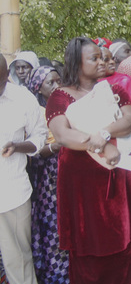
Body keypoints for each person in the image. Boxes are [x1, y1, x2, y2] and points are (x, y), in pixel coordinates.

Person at [47, 37, 131, 284]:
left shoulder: (115, 88)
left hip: (118, 176)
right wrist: (103, 147)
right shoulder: (60, 96)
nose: (102, 62)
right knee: (88, 246)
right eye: (94, 58)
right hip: (82, 184)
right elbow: (63, 135)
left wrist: (103, 134)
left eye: (102, 57)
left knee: (124, 242)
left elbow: (129, 121)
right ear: (76, 63)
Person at [0, 53, 47, 284]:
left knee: (17, 258)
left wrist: (18, 146)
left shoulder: (22, 98)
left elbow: (40, 135)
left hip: (11, 193)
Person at [26, 66, 69, 283]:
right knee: (53, 227)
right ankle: (55, 275)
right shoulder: (35, 112)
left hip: (68, 173)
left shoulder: (66, 108)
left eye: (58, 81)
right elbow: (34, 149)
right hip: (47, 181)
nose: (56, 86)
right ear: (37, 87)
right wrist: (57, 146)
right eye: (50, 83)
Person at [100, 47, 131, 112]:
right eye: (106, 60)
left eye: (112, 59)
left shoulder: (125, 80)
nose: (112, 62)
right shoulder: (92, 83)